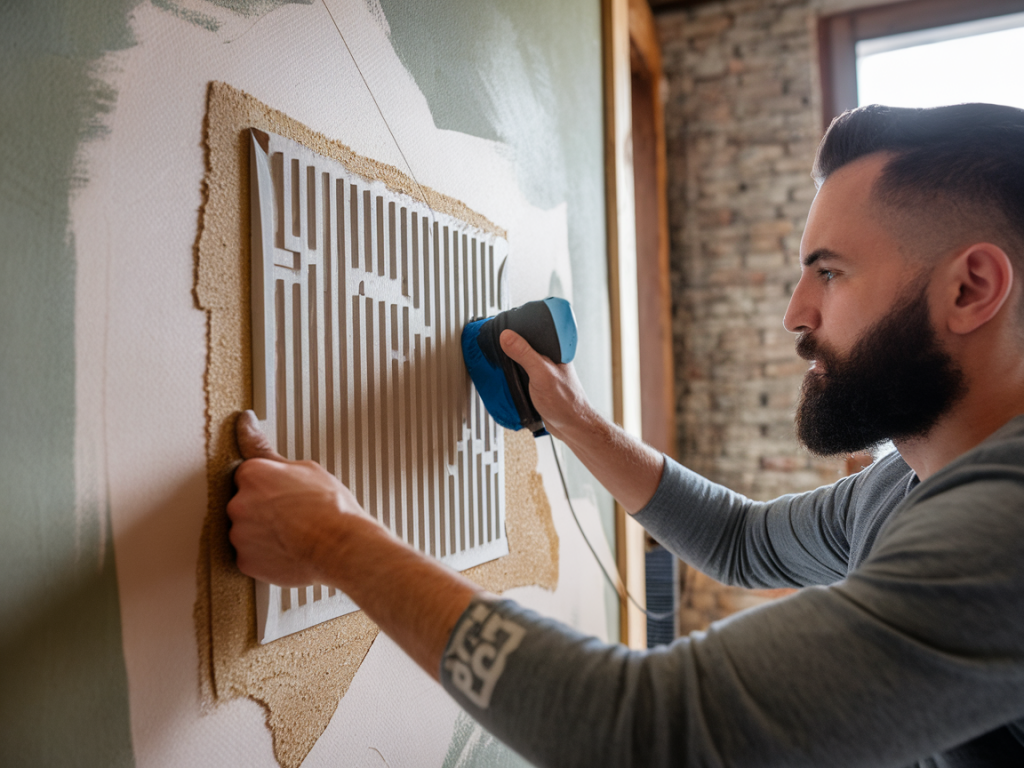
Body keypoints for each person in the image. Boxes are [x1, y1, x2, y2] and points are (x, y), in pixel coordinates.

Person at [227, 103, 1024, 767]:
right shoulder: (904, 484)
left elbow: (650, 732)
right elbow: (742, 540)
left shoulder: (1007, 527)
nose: (796, 313)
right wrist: (576, 422)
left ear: (971, 288)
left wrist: (332, 539)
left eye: (831, 272)